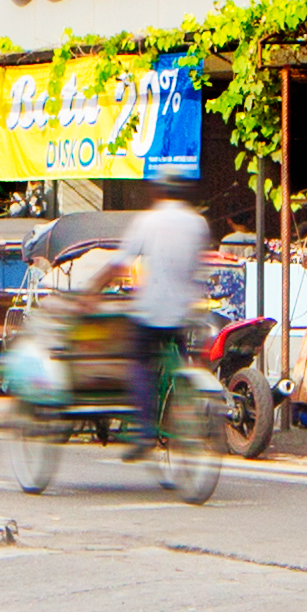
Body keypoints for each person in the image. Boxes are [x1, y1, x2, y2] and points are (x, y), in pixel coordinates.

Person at [118, 179, 211, 452]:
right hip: (185, 311)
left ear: (156, 191)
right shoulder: (198, 224)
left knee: (139, 361)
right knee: (180, 357)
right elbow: (199, 265)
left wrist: (90, 291)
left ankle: (145, 428)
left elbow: (119, 263)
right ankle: (182, 400)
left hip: (151, 311)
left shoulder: (147, 221)